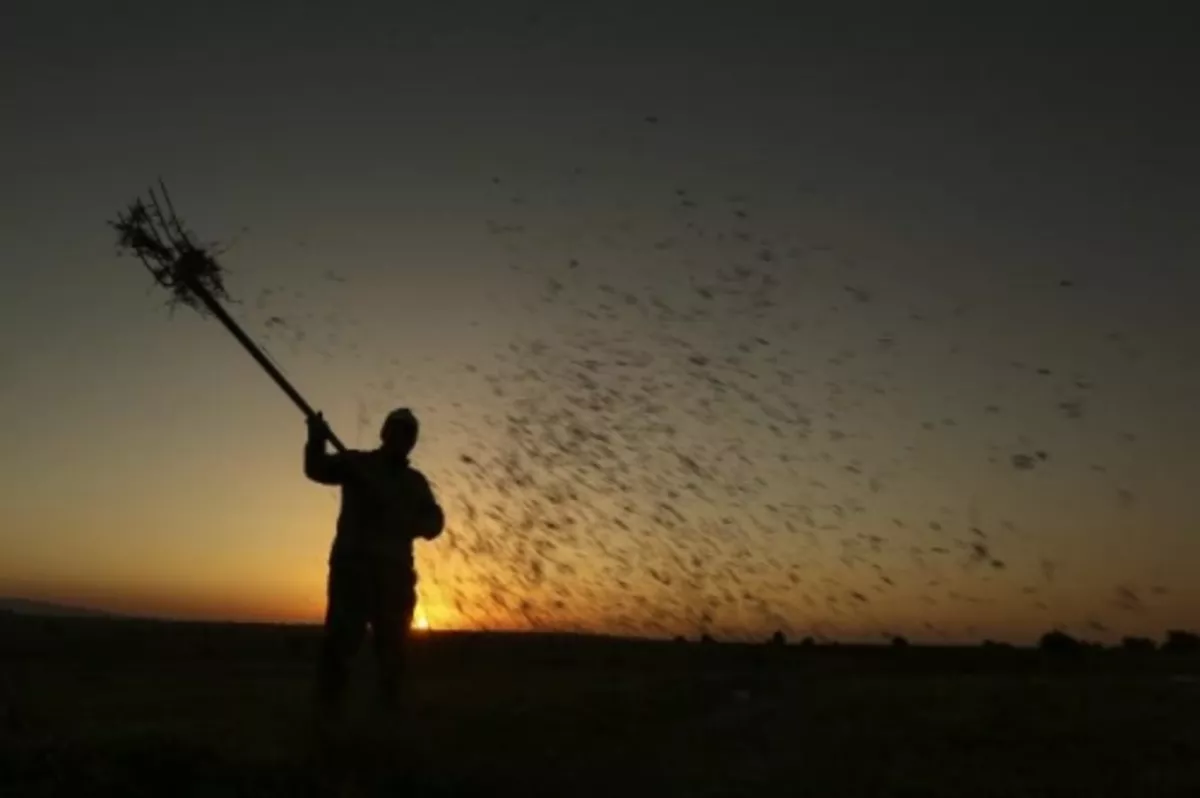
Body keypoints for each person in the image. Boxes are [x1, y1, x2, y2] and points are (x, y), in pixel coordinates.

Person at [304, 407, 444, 726]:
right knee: (339, 648)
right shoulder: (356, 464)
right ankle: (326, 722)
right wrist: (316, 438)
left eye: (408, 434)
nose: (401, 438)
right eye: (396, 430)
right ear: (384, 433)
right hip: (352, 575)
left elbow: (435, 523)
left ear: (412, 443)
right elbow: (317, 469)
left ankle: (388, 722)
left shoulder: (414, 483)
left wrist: (412, 521)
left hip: (394, 581)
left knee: (392, 654)